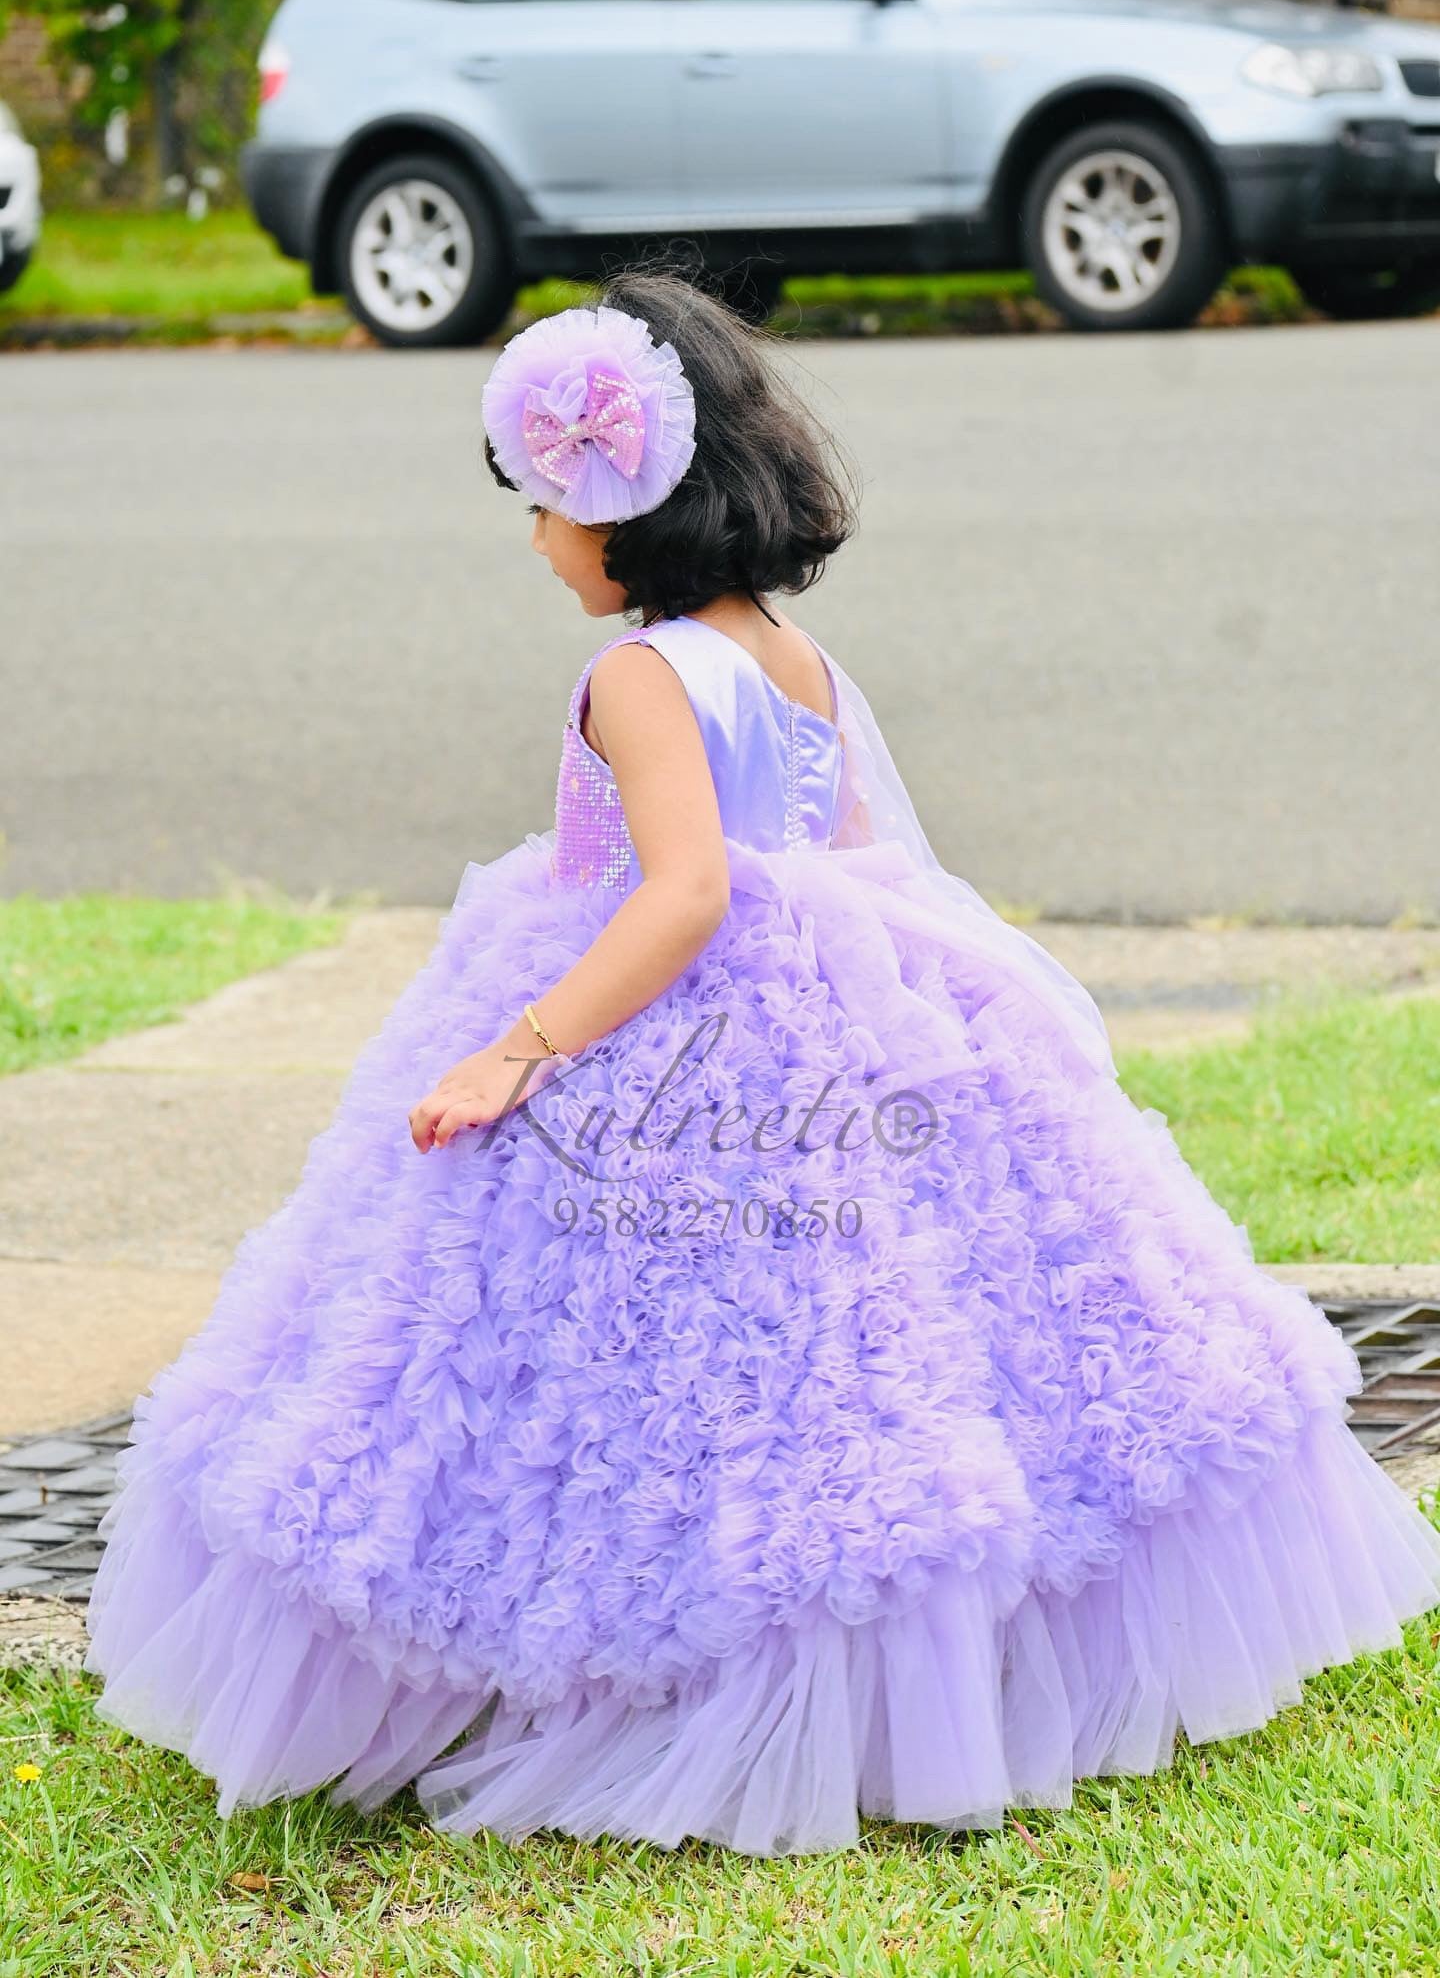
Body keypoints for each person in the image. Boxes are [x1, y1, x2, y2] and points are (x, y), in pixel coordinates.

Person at [85, 270, 1440, 1857]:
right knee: (849, 1348)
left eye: (541, 508)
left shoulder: (640, 674)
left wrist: (517, 1050)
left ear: (617, 509)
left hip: (664, 1042)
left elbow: (686, 889)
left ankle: (628, 1665)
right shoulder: (790, 654)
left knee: (601, 1354)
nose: (534, 543)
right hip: (821, 1030)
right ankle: (895, 1660)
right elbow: (852, 855)